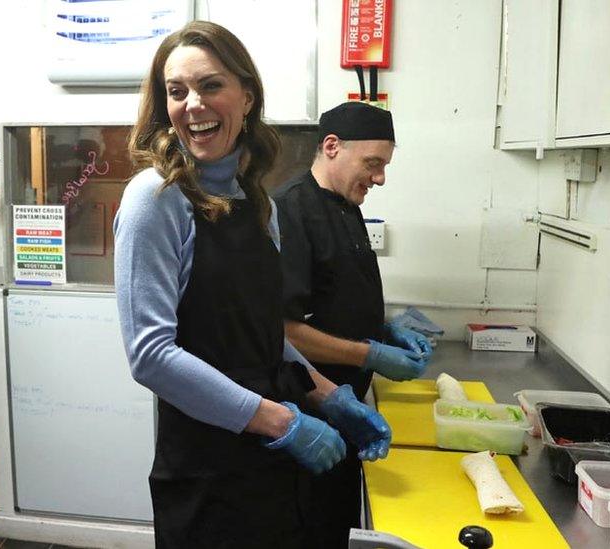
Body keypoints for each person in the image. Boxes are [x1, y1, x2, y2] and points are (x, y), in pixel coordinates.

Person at [114, 21, 392, 548]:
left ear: (246, 96)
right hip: (208, 465)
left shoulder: (255, 199)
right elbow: (150, 355)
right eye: (176, 92)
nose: (193, 104)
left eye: (211, 85)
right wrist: (281, 423)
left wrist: (330, 396)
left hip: (269, 455)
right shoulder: (155, 199)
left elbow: (264, 330)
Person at [273, 101, 434, 548]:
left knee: (335, 527)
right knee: (309, 529)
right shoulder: (290, 211)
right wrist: (371, 353)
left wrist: (384, 329)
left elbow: (336, 299)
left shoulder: (346, 206)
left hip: (347, 408)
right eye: (373, 164)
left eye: (383, 166)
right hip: (310, 412)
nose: (379, 177)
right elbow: (282, 329)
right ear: (331, 147)